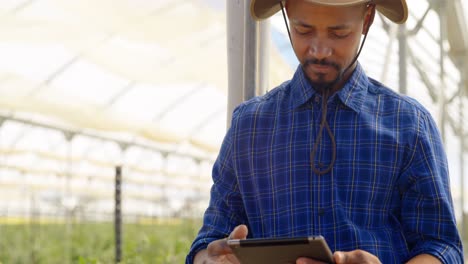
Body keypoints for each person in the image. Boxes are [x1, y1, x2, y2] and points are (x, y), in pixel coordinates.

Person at [187, 0, 464, 263]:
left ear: (366, 20)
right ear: (285, 12)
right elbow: (211, 239)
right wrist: (209, 259)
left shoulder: (409, 124)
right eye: (303, 30)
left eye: (338, 33)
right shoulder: (248, 126)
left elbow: (443, 246)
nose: (319, 50)